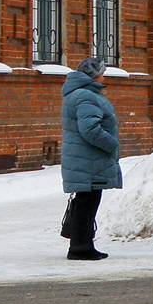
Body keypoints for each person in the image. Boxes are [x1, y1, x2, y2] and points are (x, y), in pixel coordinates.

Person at [60, 57, 122, 261]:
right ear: (94, 75)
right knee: (88, 202)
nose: (104, 76)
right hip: (89, 159)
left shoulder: (79, 94)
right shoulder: (86, 96)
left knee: (85, 201)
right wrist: (112, 144)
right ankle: (80, 247)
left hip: (84, 159)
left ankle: (82, 244)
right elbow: (90, 129)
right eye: (102, 72)